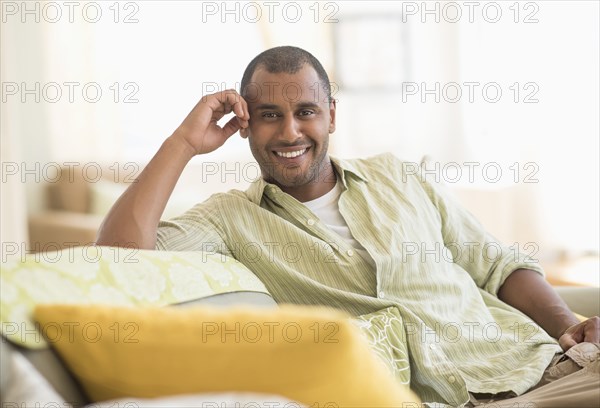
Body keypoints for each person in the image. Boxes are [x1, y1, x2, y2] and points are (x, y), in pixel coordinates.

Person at [96, 46, 599, 407]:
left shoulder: (400, 176)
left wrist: (567, 327)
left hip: (541, 368)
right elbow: (119, 258)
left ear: (331, 117)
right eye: (270, 115)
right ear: (244, 124)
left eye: (306, 112)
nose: (290, 132)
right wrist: (183, 142)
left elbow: (497, 265)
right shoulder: (229, 219)